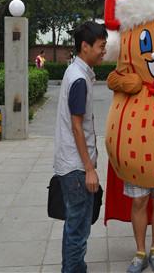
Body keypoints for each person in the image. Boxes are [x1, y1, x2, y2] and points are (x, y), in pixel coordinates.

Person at [53, 21, 107, 273]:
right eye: (101, 46)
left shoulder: (76, 72)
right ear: (85, 47)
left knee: (74, 226)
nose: (103, 51)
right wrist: (89, 168)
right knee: (78, 229)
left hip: (72, 164)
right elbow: (77, 127)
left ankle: (75, 268)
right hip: (76, 168)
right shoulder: (79, 79)